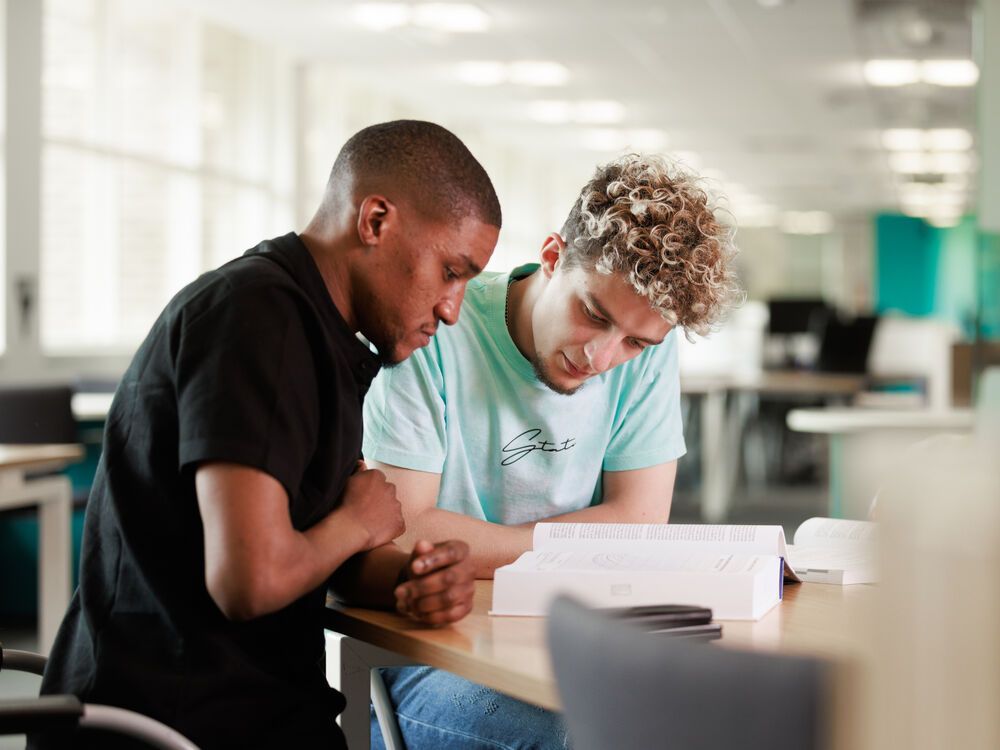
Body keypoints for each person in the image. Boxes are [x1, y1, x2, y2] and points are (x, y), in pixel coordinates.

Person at [33, 120, 501, 750]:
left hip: (246, 706)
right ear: (376, 221)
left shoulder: (320, 335)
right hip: (173, 721)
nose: (452, 308)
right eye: (450, 270)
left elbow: (315, 549)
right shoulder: (258, 319)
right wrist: (356, 525)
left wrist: (406, 585)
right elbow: (249, 580)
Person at [362, 153, 741, 749]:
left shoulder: (646, 345)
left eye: (636, 344)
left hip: (577, 644)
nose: (601, 359)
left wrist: (490, 548)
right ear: (552, 255)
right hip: (435, 658)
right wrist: (583, 545)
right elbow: (403, 530)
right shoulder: (436, 325)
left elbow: (639, 522)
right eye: (591, 314)